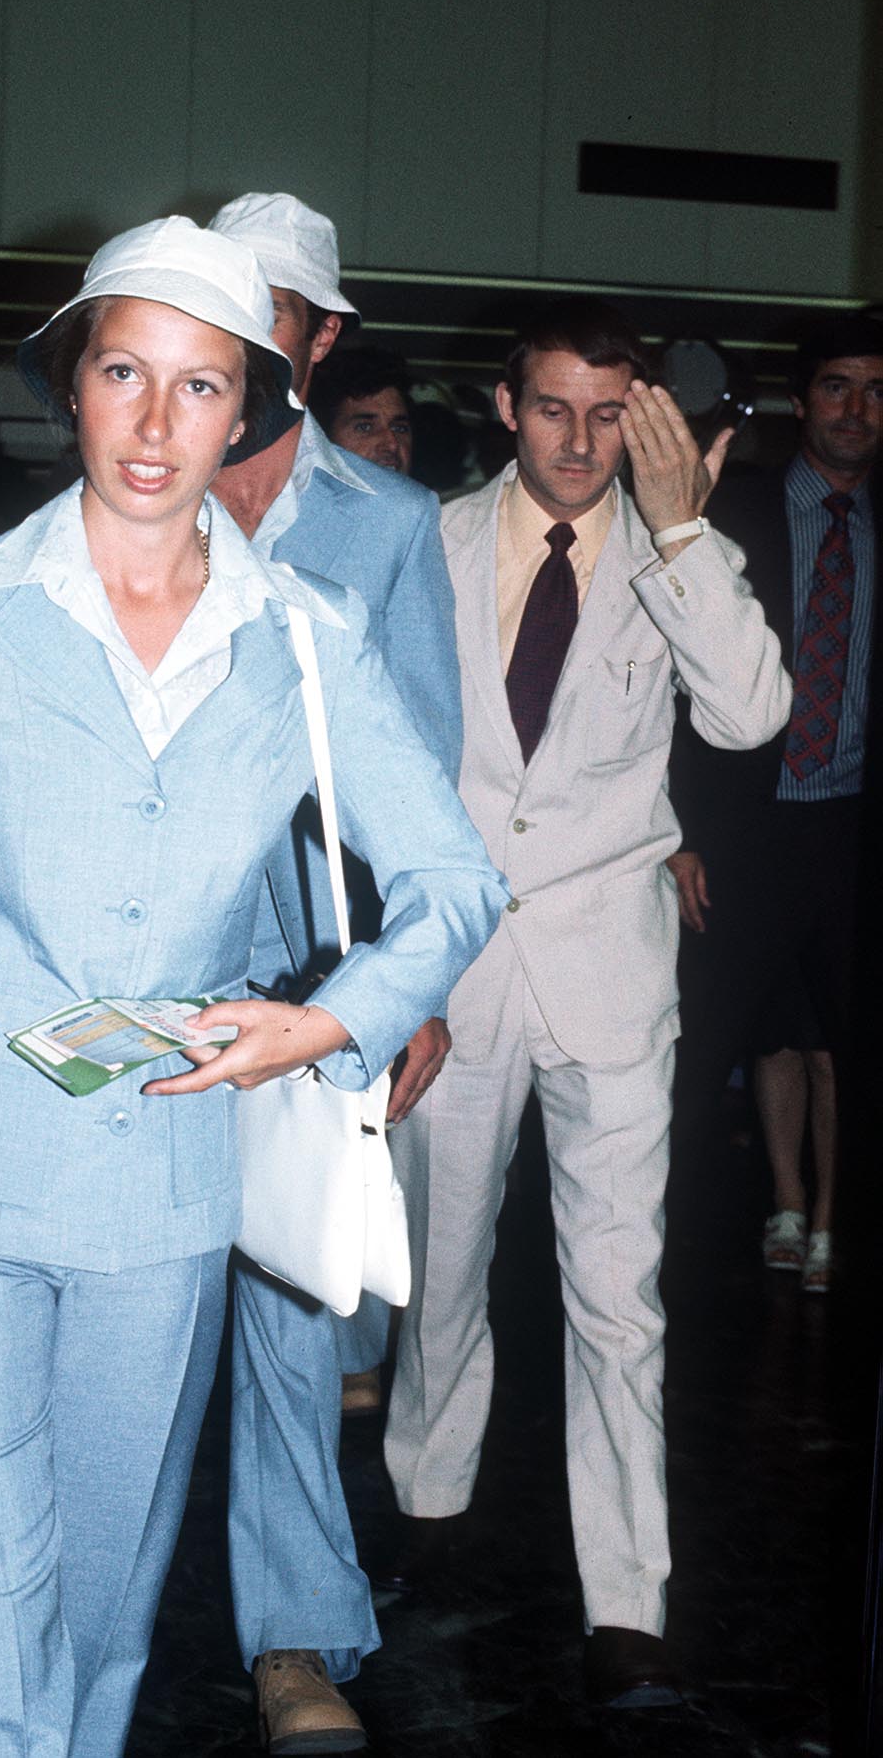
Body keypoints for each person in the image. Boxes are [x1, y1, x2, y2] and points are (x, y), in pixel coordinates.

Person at [0, 216, 508, 1758]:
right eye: (124, 371)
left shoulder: (303, 636)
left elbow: (458, 882)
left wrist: (331, 1018)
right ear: (71, 384)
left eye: (200, 387)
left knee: (91, 1609)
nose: (154, 422)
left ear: (247, 411)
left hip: (156, 1186)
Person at [382, 298, 792, 1706]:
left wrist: (681, 533)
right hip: (455, 966)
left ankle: (630, 1597)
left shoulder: (685, 556)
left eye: (608, 412)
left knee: (619, 1295)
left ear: (645, 418)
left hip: (612, 973)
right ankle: (428, 1505)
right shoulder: (421, 545)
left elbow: (747, 715)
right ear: (506, 408)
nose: (578, 440)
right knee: (439, 1266)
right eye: (552, 408)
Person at [207, 191, 461, 1753]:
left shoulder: (385, 529)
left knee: (296, 1306)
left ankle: (294, 1634)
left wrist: (407, 987)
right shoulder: (139, 490)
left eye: (277, 315)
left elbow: (422, 774)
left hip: (309, 979)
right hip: (140, 969)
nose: (247, 341)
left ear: (322, 333)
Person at [667, 312, 883, 1292]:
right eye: (837, 386)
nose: (856, 409)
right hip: (746, 828)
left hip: (850, 827)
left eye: (876, 391)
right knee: (726, 1033)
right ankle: (718, 1228)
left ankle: (837, 1222)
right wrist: (681, 835)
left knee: (846, 1037)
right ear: (805, 401)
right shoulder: (737, 513)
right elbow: (671, 683)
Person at [309, 343, 414, 475]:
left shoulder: (426, 496)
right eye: (365, 427)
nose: (392, 444)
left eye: (400, 428)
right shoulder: (287, 494)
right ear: (321, 438)